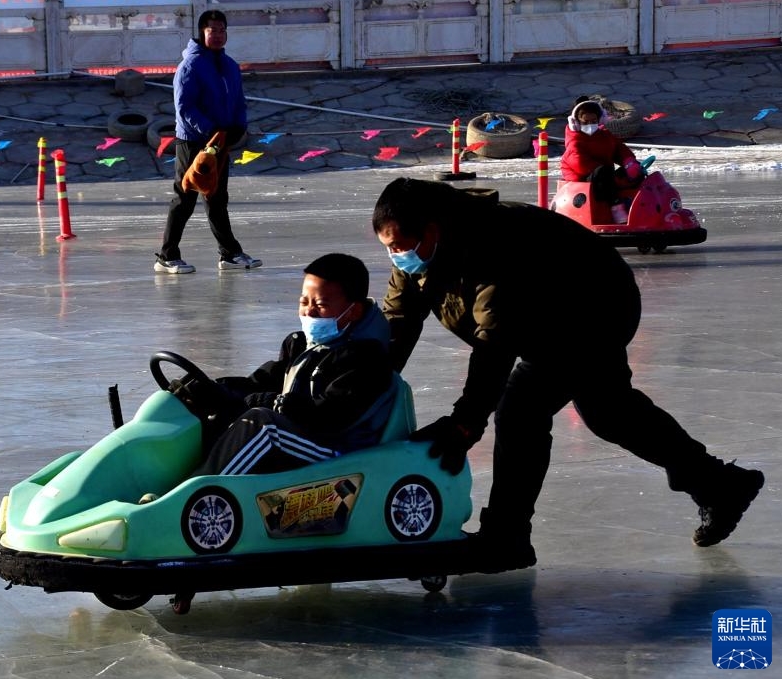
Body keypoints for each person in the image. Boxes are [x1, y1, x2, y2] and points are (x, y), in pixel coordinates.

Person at [371, 177, 764, 574]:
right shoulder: (419, 251)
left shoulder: (494, 243)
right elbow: (399, 320)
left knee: (521, 409)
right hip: (550, 313)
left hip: (595, 305)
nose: (396, 256)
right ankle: (721, 485)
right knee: (609, 409)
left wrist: (464, 425)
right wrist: (367, 386)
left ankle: (506, 538)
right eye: (388, 248)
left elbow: (495, 344)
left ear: (432, 230)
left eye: (400, 246)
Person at [191, 253, 396, 475]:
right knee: (215, 413)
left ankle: (195, 495)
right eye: (304, 302)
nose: (309, 311)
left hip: (337, 451)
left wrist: (276, 404)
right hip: (303, 438)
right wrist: (212, 389)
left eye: (320, 305)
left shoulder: (367, 359)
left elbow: (331, 416)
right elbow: (261, 382)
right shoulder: (300, 345)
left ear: (354, 311)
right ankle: (164, 482)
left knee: (264, 426)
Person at [154, 9, 261, 275]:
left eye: (222, 30)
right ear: (202, 32)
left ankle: (230, 254)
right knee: (185, 197)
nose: (218, 35)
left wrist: (238, 127)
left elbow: (238, 101)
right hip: (192, 142)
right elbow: (185, 107)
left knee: (216, 198)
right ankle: (167, 256)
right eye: (213, 30)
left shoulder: (230, 65)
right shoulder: (190, 65)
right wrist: (210, 130)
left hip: (220, 141)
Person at [560, 96, 643, 224]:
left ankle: (638, 208)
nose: (590, 125)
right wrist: (611, 177)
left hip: (603, 175)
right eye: (585, 122)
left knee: (634, 173)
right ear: (576, 122)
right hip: (582, 179)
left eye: (593, 121)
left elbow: (618, 148)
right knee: (604, 172)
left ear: (600, 119)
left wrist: (629, 162)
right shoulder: (574, 140)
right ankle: (615, 206)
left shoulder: (603, 135)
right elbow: (581, 165)